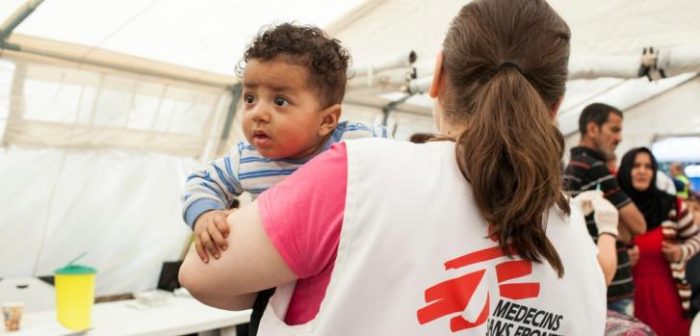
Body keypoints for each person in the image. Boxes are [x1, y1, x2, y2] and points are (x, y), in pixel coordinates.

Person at [179, 0, 607, 334]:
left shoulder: (360, 171)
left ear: (437, 77)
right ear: (554, 107)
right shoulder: (578, 244)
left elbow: (201, 276)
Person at [180, 23, 387, 335]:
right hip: (275, 284)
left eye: (279, 101)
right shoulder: (246, 158)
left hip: (344, 278)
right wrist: (206, 214)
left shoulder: (357, 141)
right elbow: (201, 181)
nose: (258, 113)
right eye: (250, 98)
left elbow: (400, 166)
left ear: (327, 119)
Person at [563, 102, 647, 315]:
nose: (619, 138)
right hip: (614, 290)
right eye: (614, 129)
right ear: (592, 129)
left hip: (593, 286)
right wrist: (620, 229)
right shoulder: (594, 168)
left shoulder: (574, 165)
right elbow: (638, 226)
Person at [617, 147, 699, 336]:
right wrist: (621, 257)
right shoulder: (615, 208)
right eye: (636, 165)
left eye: (648, 166)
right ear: (626, 169)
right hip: (627, 300)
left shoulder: (671, 205)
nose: (642, 171)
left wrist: (681, 251)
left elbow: (697, 237)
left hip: (668, 296)